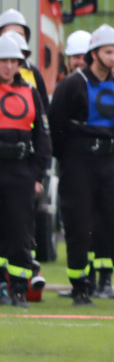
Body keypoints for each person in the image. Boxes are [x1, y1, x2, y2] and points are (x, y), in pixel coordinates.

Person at [47, 24, 114, 306]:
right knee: (78, 227)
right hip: (77, 163)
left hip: (108, 163)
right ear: (94, 53)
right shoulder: (73, 84)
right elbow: (56, 126)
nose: (113, 57)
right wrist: (68, 159)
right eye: (108, 52)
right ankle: (80, 287)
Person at [0, 34, 51, 307]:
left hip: (21, 170)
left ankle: (19, 289)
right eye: (3, 61)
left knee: (20, 232)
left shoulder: (30, 92)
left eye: (13, 61)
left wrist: (37, 175)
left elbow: (43, 137)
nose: (8, 66)